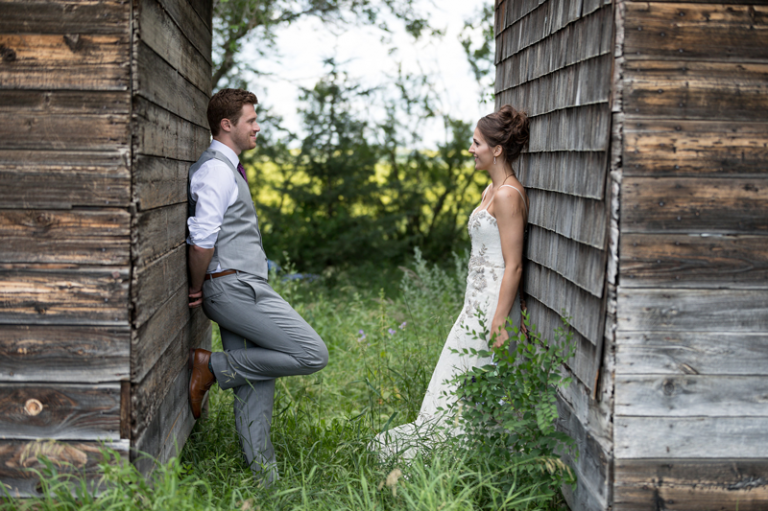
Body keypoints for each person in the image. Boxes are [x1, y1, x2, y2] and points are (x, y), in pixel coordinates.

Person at [186, 88, 329, 484]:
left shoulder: (227, 168)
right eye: (250, 120)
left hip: (237, 285)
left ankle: (267, 481)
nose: (257, 126)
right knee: (311, 353)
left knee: (256, 383)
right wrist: (198, 288)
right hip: (233, 288)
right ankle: (212, 366)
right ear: (227, 125)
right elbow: (201, 238)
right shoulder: (215, 169)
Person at [374, 104, 529, 457]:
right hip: (472, 304)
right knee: (452, 382)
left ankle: (465, 458)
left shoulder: (507, 195)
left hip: (493, 307)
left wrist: (500, 321)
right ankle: (449, 454)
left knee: (472, 387)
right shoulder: (489, 192)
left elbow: (514, 266)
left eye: (477, 143)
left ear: (497, 149)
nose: (471, 149)